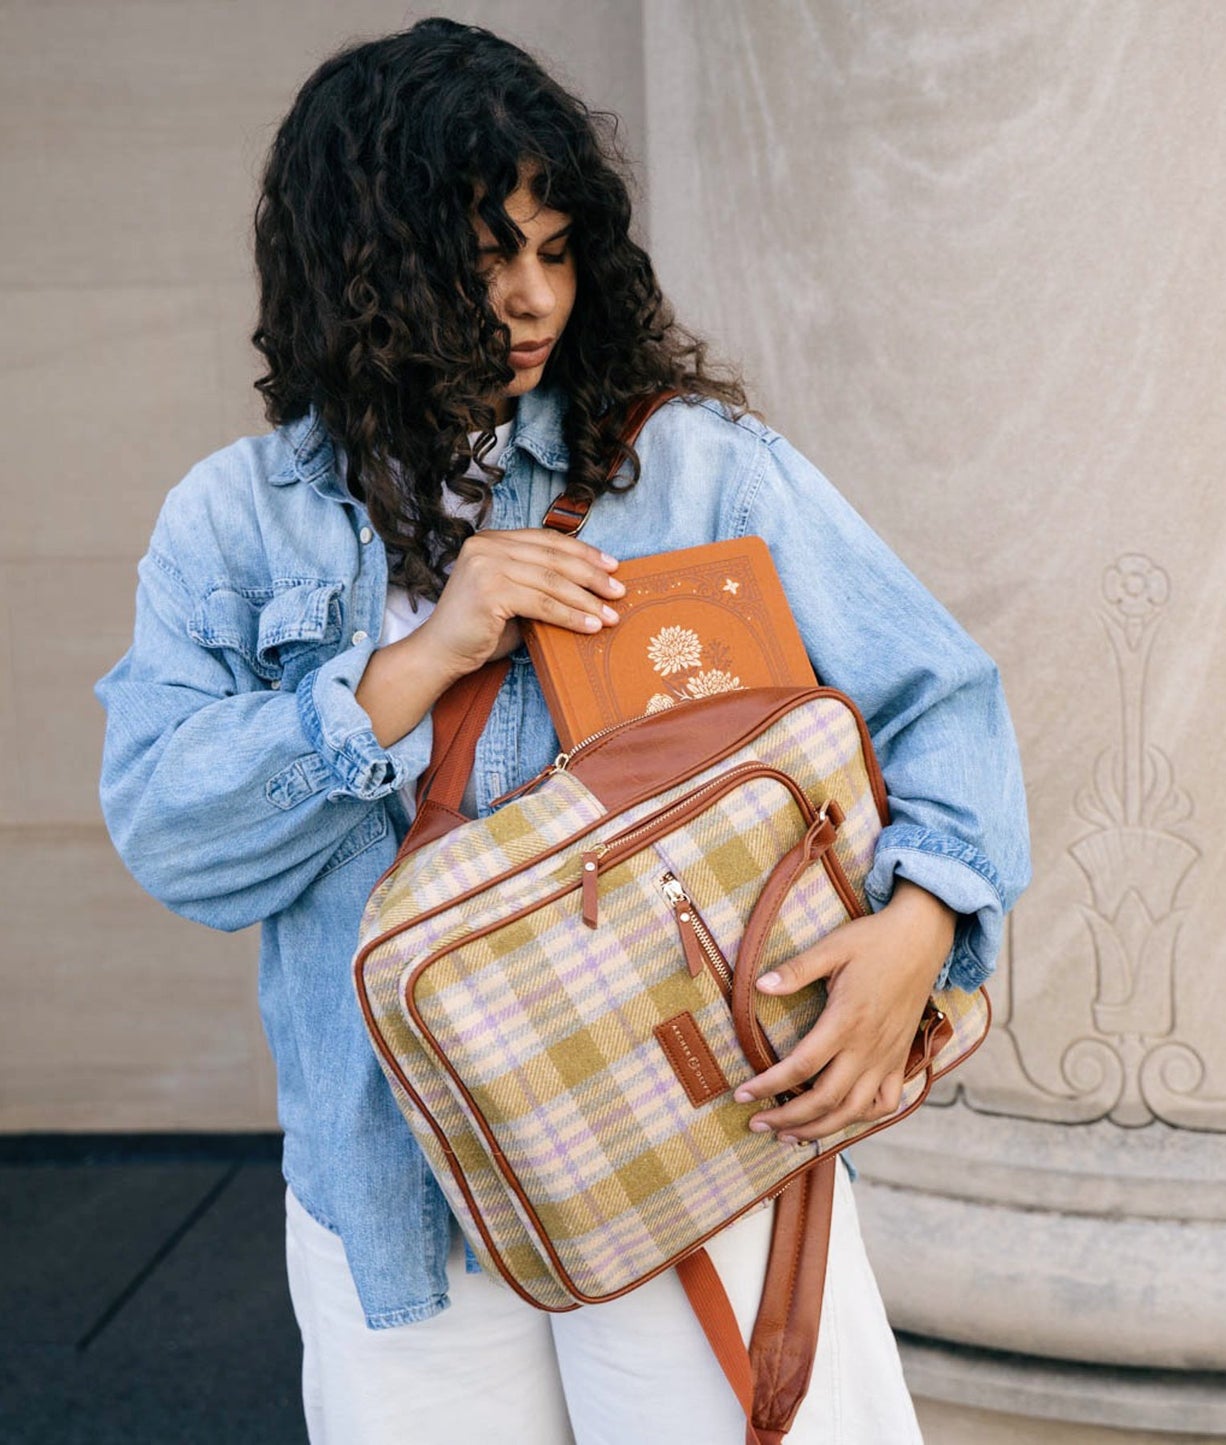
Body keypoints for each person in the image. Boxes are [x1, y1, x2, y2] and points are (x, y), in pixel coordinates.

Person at [95, 17, 1029, 1444]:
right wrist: (415, 665)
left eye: (555, 248)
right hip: (396, 1199)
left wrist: (919, 927)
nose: (532, 299)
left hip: (697, 1136)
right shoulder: (234, 524)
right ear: (361, 267)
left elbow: (938, 699)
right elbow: (172, 832)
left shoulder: (691, 472)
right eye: (482, 260)